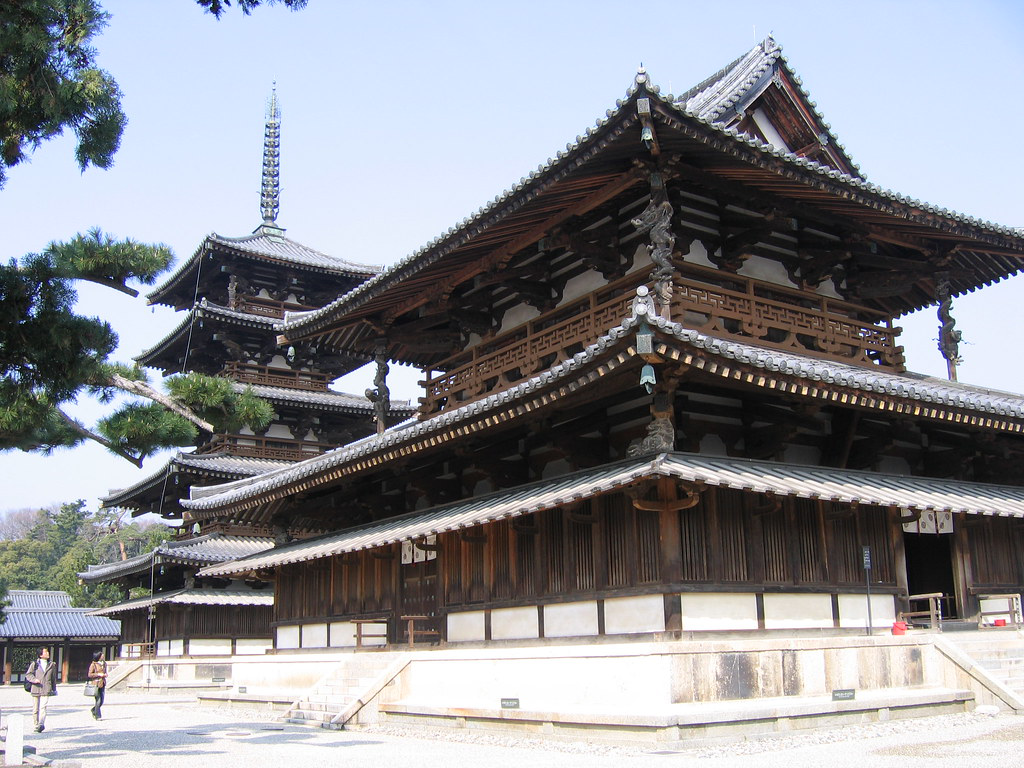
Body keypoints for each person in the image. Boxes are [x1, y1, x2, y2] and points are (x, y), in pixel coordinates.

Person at [25, 647, 58, 732]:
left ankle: (41, 724)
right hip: (36, 688)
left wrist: (54, 689)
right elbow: (28, 675)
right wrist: (34, 680)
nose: (47, 653)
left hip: (46, 688)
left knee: (43, 707)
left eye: (47, 652)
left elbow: (53, 678)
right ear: (40, 654)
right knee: (35, 708)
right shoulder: (35, 664)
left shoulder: (52, 664)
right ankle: (36, 724)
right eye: (45, 652)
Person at [87, 651, 107, 719]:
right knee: (98, 700)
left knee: (102, 700)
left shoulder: (104, 663)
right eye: (101, 655)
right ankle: (97, 716)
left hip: (102, 683)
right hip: (96, 684)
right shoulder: (93, 664)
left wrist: (105, 675)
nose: (103, 656)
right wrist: (98, 674)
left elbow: (104, 671)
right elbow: (89, 674)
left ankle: (94, 710)